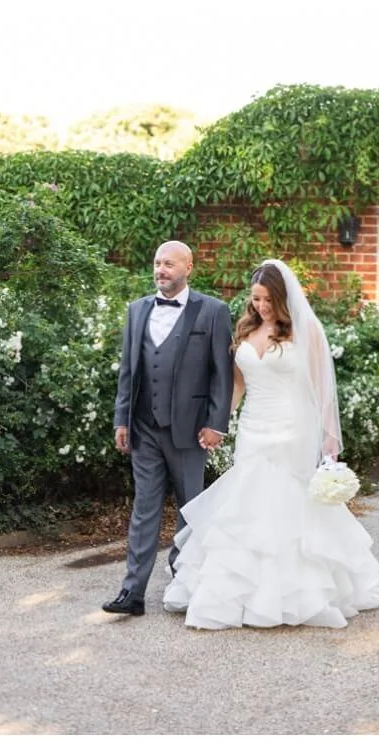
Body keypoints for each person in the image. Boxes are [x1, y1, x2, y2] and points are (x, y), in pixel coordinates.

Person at [162, 259, 379, 629]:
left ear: (283, 298)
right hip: (253, 427)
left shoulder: (305, 330)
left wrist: (330, 437)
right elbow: (237, 385)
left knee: (287, 500)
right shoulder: (246, 328)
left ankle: (294, 593)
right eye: (256, 299)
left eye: (268, 299)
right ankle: (241, 592)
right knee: (248, 499)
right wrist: (217, 423)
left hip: (292, 427)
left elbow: (322, 388)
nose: (262, 306)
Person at [102, 240, 234, 616]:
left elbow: (222, 374)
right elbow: (129, 371)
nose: (161, 270)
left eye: (169, 264)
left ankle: (185, 580)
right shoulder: (137, 310)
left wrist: (216, 424)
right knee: (144, 509)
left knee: (190, 508)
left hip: (190, 431)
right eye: (158, 263)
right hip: (144, 428)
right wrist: (122, 419)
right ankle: (133, 593)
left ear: (188, 268)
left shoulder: (213, 311)